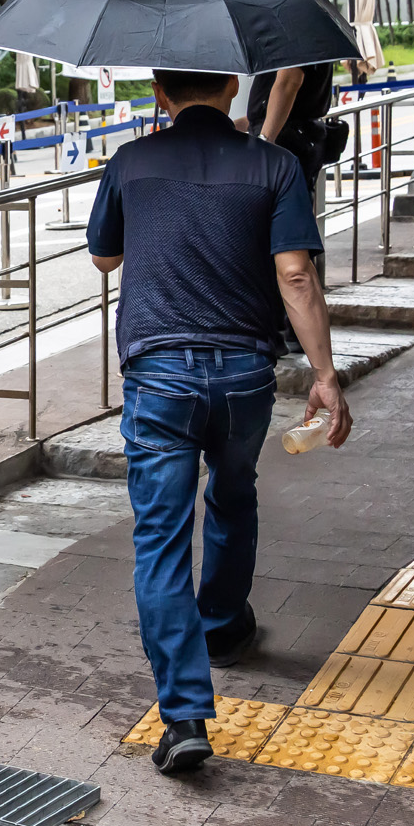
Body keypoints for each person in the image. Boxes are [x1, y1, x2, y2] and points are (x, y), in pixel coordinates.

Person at [88, 68, 353, 773]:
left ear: (160, 93)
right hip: (243, 377)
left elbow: (104, 254)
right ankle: (224, 625)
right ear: (234, 86)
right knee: (234, 493)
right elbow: (296, 275)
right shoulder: (274, 165)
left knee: (161, 539)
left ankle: (183, 717)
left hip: (160, 377)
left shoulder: (132, 160)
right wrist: (326, 375)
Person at [242, 0, 338, 193]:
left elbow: (288, 82)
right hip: (296, 139)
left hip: (285, 142)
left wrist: (265, 140)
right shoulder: (307, 12)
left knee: (276, 223)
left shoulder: (298, 14)